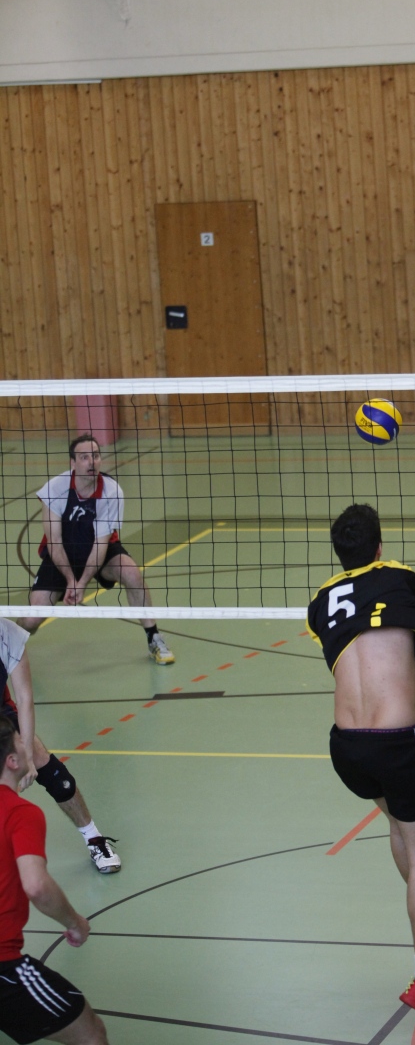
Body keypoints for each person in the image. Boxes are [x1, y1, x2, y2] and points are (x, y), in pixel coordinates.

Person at [307, 504, 415, 1027]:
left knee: (401, 827)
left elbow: (363, 664)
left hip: (346, 747)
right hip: (397, 745)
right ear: (379, 547)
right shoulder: (402, 577)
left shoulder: (321, 602)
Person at [0, 713, 109, 1044]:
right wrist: (75, 922)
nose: (29, 742)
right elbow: (36, 886)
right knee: (92, 1033)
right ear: (13, 761)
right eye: (21, 740)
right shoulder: (21, 813)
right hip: (3, 965)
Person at [18, 435, 174, 665]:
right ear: (73, 463)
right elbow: (55, 542)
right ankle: (10, 642)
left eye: (95, 456)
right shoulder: (54, 489)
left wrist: (81, 584)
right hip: (63, 553)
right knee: (32, 618)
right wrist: (70, 579)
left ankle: (154, 637)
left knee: (132, 573)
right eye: (84, 457)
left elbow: (101, 545)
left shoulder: (111, 492)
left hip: (99, 550)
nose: (91, 462)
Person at [0, 618, 121, 874]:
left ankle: (94, 838)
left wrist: (28, 756)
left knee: (47, 765)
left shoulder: (8, 634)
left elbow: (25, 698)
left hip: (2, 711)